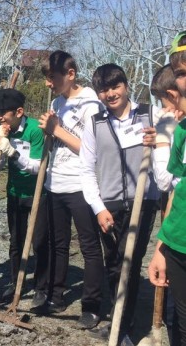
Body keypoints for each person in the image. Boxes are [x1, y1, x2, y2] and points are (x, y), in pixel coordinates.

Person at [79, 64, 159, 343]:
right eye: (104, 89)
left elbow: (171, 147)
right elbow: (86, 169)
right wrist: (98, 207)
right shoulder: (95, 124)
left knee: (130, 262)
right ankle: (118, 317)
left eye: (115, 86)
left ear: (126, 86)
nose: (111, 94)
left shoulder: (150, 114)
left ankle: (124, 327)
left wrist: (160, 140)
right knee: (113, 263)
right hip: (109, 205)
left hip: (143, 202)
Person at [37, 51, 104, 329]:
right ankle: (56, 296)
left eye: (52, 77)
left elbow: (92, 150)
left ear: (71, 74)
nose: (48, 83)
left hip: (81, 185)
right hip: (55, 183)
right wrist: (48, 130)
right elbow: (56, 141)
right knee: (58, 244)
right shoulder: (57, 102)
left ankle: (92, 306)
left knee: (89, 247)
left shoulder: (91, 104)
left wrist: (57, 130)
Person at [0, 88, 49, 305]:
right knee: (16, 240)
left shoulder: (35, 130)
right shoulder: (4, 130)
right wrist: (0, 144)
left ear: (18, 112)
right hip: (14, 192)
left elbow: (37, 167)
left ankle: (41, 287)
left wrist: (13, 153)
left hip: (37, 193)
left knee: (39, 242)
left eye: (3, 113)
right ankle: (16, 281)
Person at [149, 30, 186, 346]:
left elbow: (164, 179)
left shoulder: (174, 126)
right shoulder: (181, 127)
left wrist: (163, 135)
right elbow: (175, 186)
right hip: (177, 235)